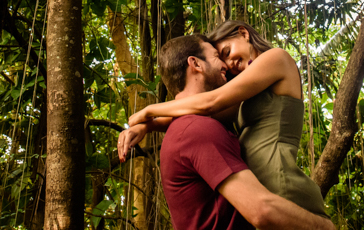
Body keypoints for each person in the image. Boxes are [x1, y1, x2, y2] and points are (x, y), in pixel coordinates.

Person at [117, 21, 328, 219]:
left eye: (227, 52)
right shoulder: (247, 96)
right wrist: (148, 126)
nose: (229, 64)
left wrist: (149, 110)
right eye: (224, 60)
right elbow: (202, 112)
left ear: (243, 33)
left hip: (282, 187)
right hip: (263, 198)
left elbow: (211, 102)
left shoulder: (277, 58)